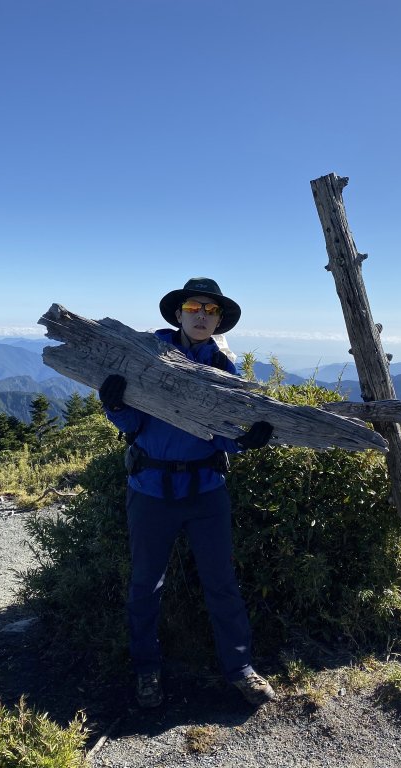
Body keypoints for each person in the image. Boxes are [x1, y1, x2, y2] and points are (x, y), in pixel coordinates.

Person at [99, 277, 277, 709]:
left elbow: (223, 433)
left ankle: (240, 670)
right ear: (178, 313)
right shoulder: (149, 358)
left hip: (205, 491)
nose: (203, 316)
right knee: (146, 584)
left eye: (211, 311)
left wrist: (243, 440)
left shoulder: (222, 367)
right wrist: (116, 406)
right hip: (151, 489)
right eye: (195, 307)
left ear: (219, 320)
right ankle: (147, 670)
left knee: (221, 583)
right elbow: (134, 427)